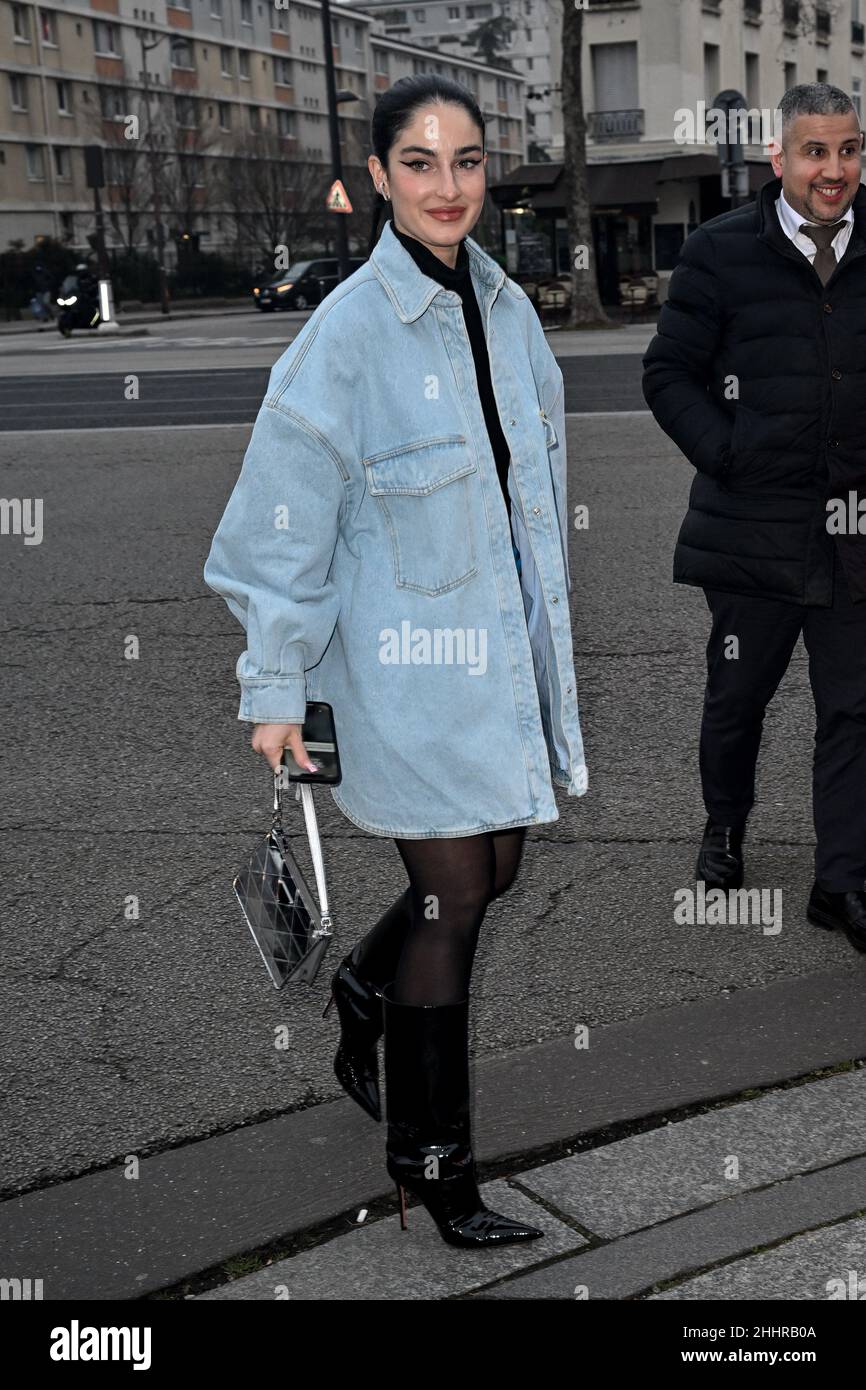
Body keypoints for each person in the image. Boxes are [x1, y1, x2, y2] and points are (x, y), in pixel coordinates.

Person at [203, 74, 587, 1248]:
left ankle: (365, 988)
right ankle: (434, 1170)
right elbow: (277, 526)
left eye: (465, 162)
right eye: (417, 164)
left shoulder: (506, 308)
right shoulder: (344, 340)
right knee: (453, 893)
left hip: (498, 666)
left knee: (498, 864)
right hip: (404, 672)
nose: (445, 186)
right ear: (377, 178)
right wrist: (274, 686)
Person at [642, 83, 866, 953]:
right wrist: (729, 453)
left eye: (849, 150)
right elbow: (668, 376)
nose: (835, 170)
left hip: (853, 532)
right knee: (739, 698)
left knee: (853, 710)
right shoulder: (719, 252)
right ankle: (725, 828)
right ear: (779, 158)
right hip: (752, 532)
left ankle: (842, 881)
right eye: (816, 152)